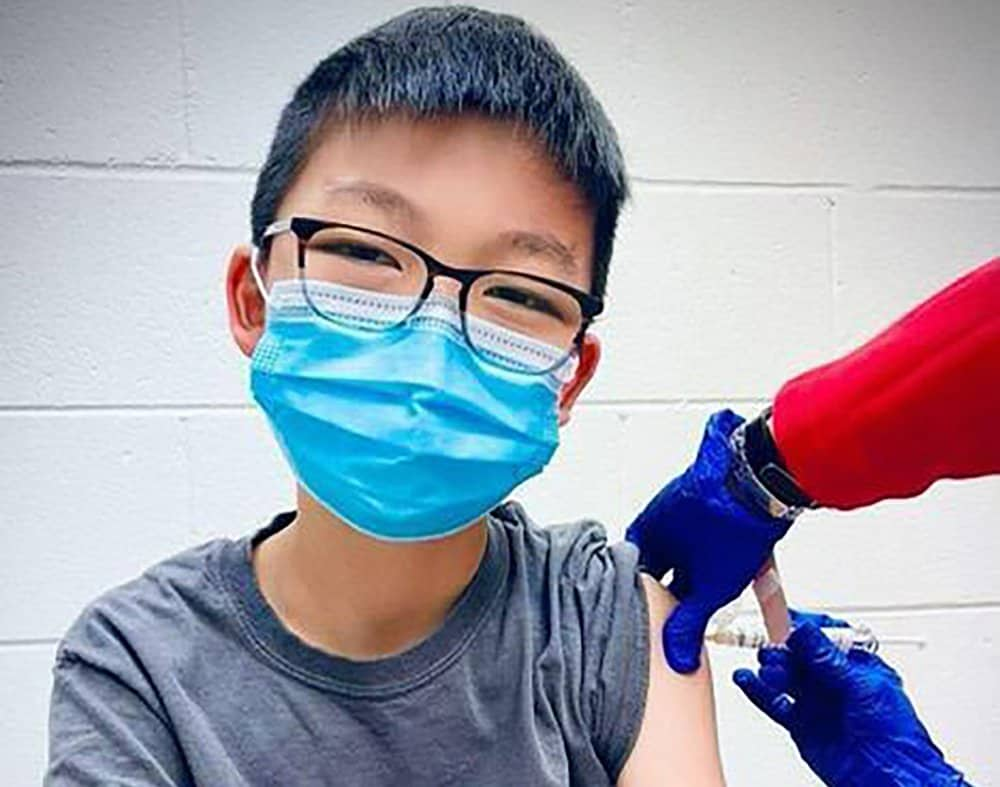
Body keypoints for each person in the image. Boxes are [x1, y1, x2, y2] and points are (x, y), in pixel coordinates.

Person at [45, 7, 726, 786]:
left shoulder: (607, 622)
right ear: (255, 298)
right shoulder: (139, 665)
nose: (433, 345)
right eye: (366, 250)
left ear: (569, 375)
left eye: (524, 295)